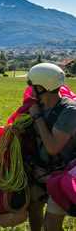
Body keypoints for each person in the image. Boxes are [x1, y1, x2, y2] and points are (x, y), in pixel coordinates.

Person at [26, 63, 76, 231]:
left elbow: (53, 147)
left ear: (41, 88)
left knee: (51, 227)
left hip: (65, 177)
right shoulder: (38, 107)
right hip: (43, 171)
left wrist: (38, 118)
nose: (30, 90)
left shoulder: (69, 111)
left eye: (32, 86)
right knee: (33, 207)